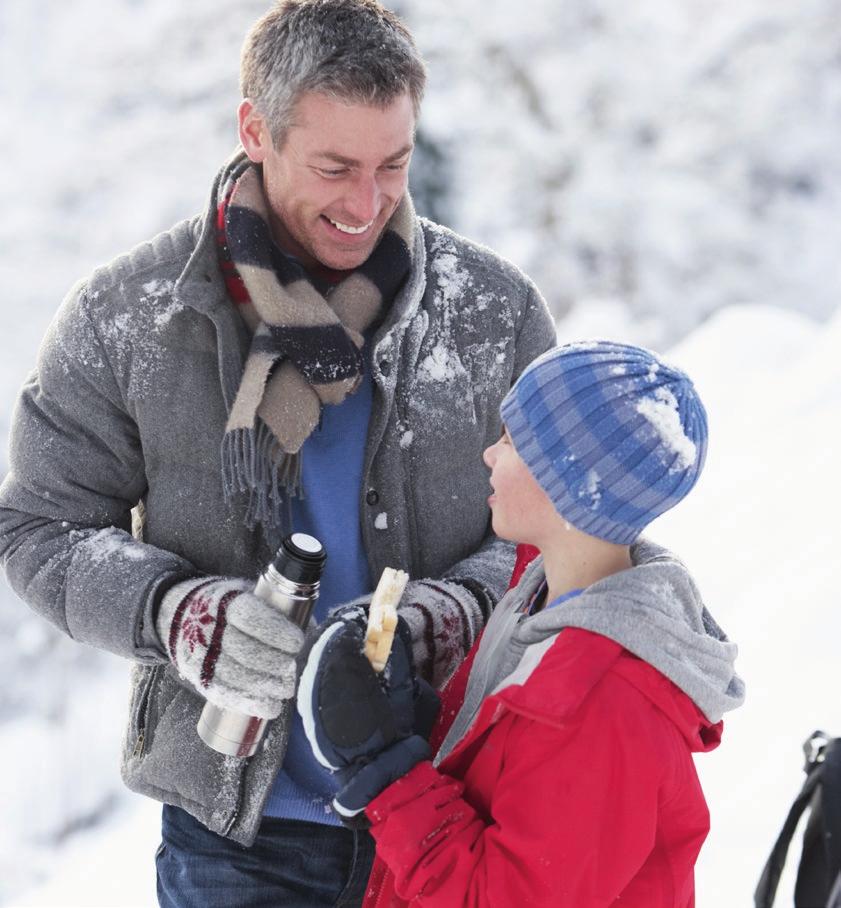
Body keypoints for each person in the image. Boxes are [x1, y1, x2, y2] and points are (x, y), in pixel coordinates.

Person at [0, 1, 557, 905]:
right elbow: (38, 531)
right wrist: (175, 611)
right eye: (334, 167)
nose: (366, 204)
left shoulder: (493, 312)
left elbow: (561, 533)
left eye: (392, 165)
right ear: (254, 129)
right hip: (236, 840)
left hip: (457, 808)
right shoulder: (129, 319)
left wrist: (461, 609)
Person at [299, 340, 746, 907]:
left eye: (511, 440)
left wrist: (388, 774)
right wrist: (414, 720)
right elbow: (514, 779)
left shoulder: (606, 700)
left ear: (570, 483)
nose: (490, 453)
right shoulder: (539, 597)